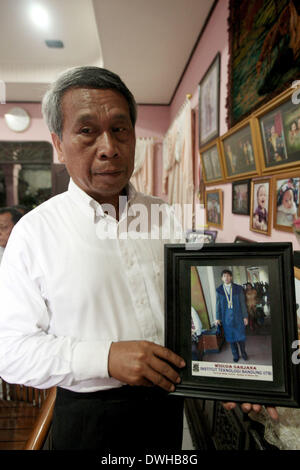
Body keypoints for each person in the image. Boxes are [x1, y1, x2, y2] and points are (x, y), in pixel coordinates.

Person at [0, 66, 277, 451]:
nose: (109, 147)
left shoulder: (164, 215)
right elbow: (10, 351)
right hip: (90, 418)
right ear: (58, 144)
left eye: (119, 129)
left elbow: (181, 312)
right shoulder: (34, 233)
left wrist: (233, 377)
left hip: (169, 403)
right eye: (86, 130)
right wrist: (106, 357)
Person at [215, 270, 249, 363]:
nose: (226, 278)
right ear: (222, 278)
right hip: (226, 319)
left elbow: (242, 303)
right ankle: (235, 355)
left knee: (241, 337)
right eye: (224, 276)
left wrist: (245, 316)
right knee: (231, 339)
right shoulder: (219, 290)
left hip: (238, 317)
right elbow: (217, 305)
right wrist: (217, 318)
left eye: (228, 276)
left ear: (231, 277)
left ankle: (244, 353)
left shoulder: (238, 288)